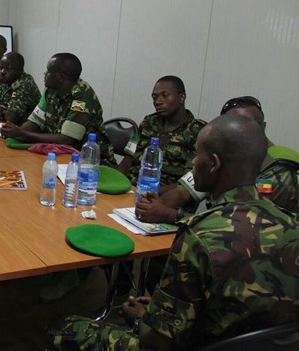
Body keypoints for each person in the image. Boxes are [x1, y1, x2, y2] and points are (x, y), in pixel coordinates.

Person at [47, 114, 299, 350]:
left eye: (197, 155)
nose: (193, 163)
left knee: (63, 328)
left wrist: (142, 319)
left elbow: (157, 341)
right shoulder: (292, 224)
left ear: (213, 164)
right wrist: (162, 311)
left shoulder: (199, 237)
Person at [137, 95, 298, 224]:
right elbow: (183, 192)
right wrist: (152, 206)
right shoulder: (224, 155)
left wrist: (171, 215)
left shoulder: (279, 170)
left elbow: (237, 224)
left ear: (262, 127)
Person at [0, 53, 115, 165]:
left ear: (60, 77)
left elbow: (66, 139)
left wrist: (22, 133)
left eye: (48, 71)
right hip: (58, 154)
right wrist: (13, 132)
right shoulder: (50, 90)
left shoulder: (81, 97)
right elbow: (35, 122)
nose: (45, 74)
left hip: (91, 163)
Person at [117, 76, 206, 192]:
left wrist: (149, 193)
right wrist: (114, 185)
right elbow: (126, 162)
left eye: (165, 95)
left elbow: (186, 183)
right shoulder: (149, 122)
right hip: (131, 189)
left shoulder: (197, 131)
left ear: (181, 97)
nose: (158, 102)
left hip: (163, 196)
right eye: (154, 97)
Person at [0, 52, 41, 125]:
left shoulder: (25, 83)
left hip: (26, 128)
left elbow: (11, 117)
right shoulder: (0, 79)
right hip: (6, 126)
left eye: (8, 69)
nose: (2, 72)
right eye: (1, 68)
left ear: (19, 71)